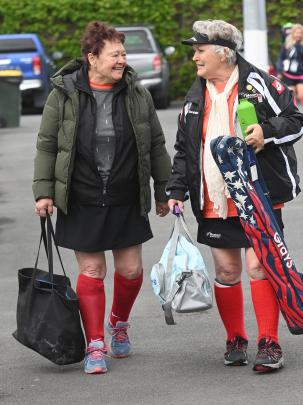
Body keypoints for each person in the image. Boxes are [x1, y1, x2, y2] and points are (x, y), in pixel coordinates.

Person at [167, 20, 303, 373]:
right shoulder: (196, 92)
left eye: (200, 50)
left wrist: (266, 132)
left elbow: (297, 119)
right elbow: (185, 147)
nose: (195, 56)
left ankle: (269, 342)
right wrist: (176, 189)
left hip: (259, 193)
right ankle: (235, 338)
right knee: (227, 270)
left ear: (222, 53)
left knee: (260, 266)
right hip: (214, 195)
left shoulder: (259, 82)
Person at [33, 21, 171, 374]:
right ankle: (95, 344)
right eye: (115, 54)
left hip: (126, 194)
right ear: (91, 58)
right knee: (92, 270)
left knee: (131, 270)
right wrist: (44, 192)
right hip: (83, 195)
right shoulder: (63, 94)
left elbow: (154, 143)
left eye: (123, 54)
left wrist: (163, 188)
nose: (122, 60)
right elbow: (48, 145)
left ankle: (118, 322)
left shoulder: (136, 93)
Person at [278, 23, 303, 122]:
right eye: (296, 33)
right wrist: (280, 69)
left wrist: (298, 45)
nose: (298, 35)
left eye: (300, 33)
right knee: (290, 95)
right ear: (292, 33)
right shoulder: (287, 44)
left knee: (302, 96)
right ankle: (294, 115)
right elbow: (281, 58)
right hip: (289, 74)